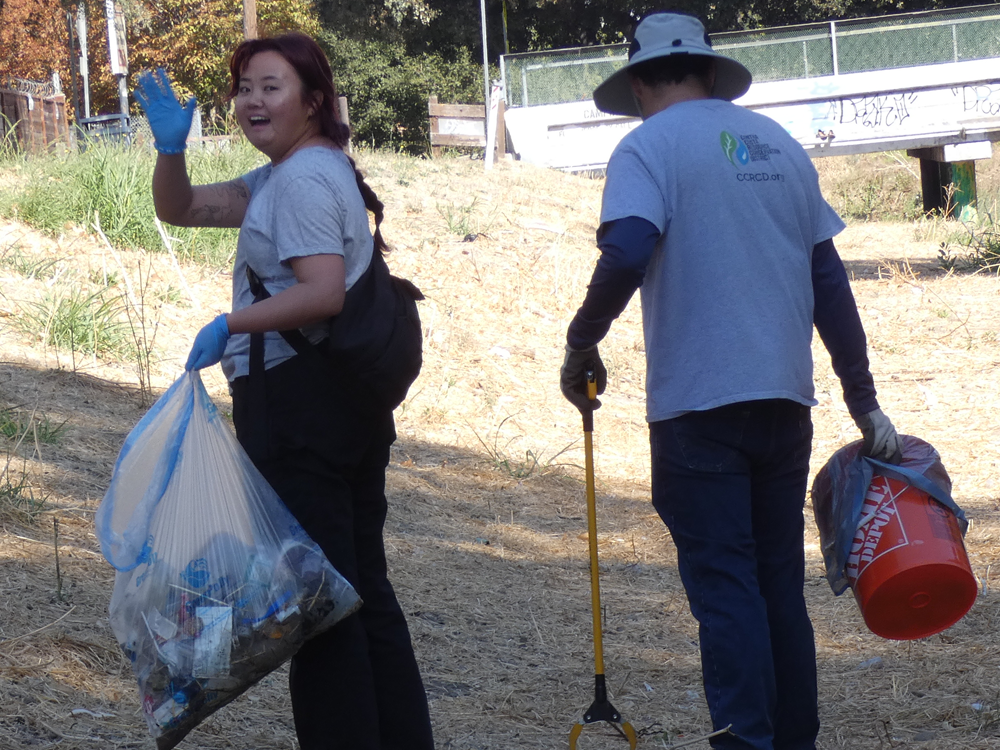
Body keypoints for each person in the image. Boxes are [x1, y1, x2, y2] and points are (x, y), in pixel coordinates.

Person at [559, 12, 902, 750]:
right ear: (711, 73)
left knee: (726, 590)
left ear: (639, 84)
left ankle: (745, 742)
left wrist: (581, 340)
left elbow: (627, 250)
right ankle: (793, 740)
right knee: (776, 583)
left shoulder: (645, 147)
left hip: (697, 407)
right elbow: (828, 279)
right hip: (785, 400)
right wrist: (863, 398)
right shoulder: (778, 144)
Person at [135, 32, 433, 750]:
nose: (252, 101)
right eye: (244, 88)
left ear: (314, 100)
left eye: (271, 87)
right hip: (343, 404)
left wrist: (229, 323)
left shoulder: (299, 181)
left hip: (300, 409)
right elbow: (182, 208)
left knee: (318, 606)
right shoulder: (294, 173)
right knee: (361, 590)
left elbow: (323, 291)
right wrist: (170, 149)